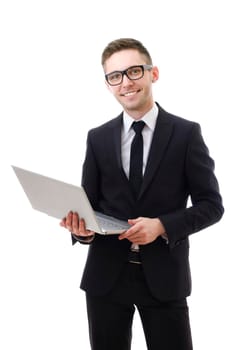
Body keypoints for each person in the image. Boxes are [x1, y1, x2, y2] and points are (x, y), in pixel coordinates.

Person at [60, 38, 224, 350]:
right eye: (115, 76)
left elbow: (211, 206)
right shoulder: (97, 138)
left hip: (164, 279)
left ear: (153, 74)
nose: (126, 82)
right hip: (105, 278)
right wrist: (82, 232)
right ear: (108, 84)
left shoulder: (186, 134)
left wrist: (162, 225)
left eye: (134, 71)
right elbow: (90, 206)